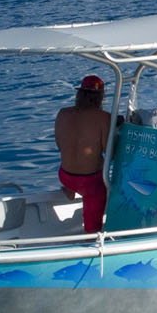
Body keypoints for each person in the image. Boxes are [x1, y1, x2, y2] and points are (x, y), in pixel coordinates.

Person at [55, 74, 113, 232]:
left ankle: (70, 190)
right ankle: (91, 237)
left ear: (79, 94)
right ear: (101, 97)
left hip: (65, 176)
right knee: (100, 186)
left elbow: (59, 145)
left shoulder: (63, 113)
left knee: (76, 159)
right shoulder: (104, 118)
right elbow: (111, 154)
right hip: (89, 183)